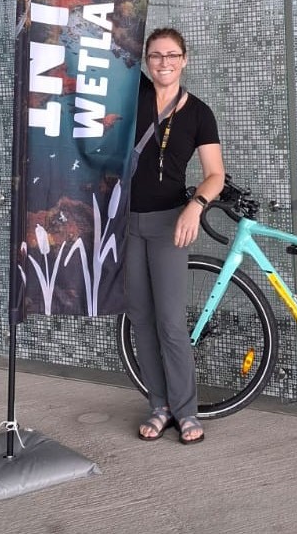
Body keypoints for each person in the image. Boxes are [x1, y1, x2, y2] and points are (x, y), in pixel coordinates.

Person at [126, 27, 225, 445]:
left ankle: (185, 411)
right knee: (141, 320)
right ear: (146, 62)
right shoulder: (132, 99)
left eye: (172, 55)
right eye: (155, 56)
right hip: (125, 223)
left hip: (170, 224)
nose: (164, 63)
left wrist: (195, 206)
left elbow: (215, 175)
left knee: (170, 322)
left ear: (185, 59)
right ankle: (159, 405)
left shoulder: (199, 113)